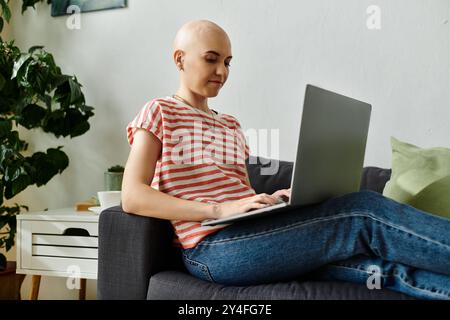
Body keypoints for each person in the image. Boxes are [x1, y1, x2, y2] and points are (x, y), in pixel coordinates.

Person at [122, 20, 450, 300]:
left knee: (379, 268)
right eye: (211, 59)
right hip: (212, 250)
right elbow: (132, 196)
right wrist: (217, 210)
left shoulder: (230, 125)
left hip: (248, 235)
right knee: (362, 212)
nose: (222, 71)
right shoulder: (160, 111)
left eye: (228, 61)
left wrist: (274, 202)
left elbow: (241, 196)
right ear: (180, 59)